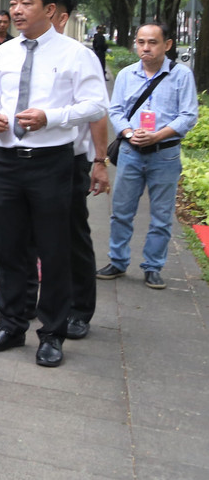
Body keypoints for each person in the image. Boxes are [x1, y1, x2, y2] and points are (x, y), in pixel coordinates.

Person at [0, 0, 107, 368]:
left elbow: (96, 105)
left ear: (50, 10)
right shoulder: (4, 52)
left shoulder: (75, 54)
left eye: (25, 3)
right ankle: (11, 323)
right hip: (5, 160)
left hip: (51, 162)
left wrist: (51, 116)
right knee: (10, 248)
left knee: (54, 251)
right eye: (13, 2)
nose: (15, 9)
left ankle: (52, 332)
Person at [32, 0, 110, 339]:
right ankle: (44, 304)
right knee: (38, 238)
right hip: (34, 161)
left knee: (72, 236)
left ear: (59, 16)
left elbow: (96, 113)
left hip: (71, 160)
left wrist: (100, 160)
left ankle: (80, 309)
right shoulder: (27, 54)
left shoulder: (79, 57)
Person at [97, 21, 199, 289]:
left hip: (164, 154)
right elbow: (116, 110)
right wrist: (129, 133)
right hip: (131, 152)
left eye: (152, 42)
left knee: (162, 216)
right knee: (121, 211)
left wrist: (158, 135)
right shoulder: (127, 75)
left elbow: (188, 115)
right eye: (141, 42)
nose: (145, 48)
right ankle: (118, 262)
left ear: (167, 45)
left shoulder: (181, 75)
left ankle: (153, 267)